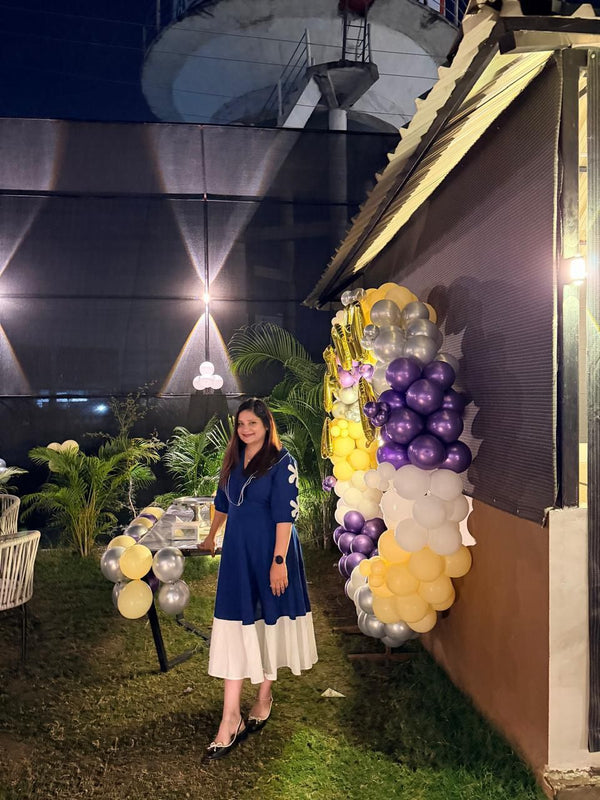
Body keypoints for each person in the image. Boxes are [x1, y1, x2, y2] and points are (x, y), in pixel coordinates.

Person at [199, 398, 318, 760]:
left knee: (270, 620)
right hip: (238, 554)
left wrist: (279, 561)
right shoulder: (233, 457)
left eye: (253, 423)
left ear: (267, 424)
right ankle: (230, 715)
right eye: (241, 424)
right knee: (234, 623)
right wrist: (211, 535)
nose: (246, 429)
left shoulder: (283, 462)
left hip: (272, 551)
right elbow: (223, 501)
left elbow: (286, 516)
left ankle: (264, 695)